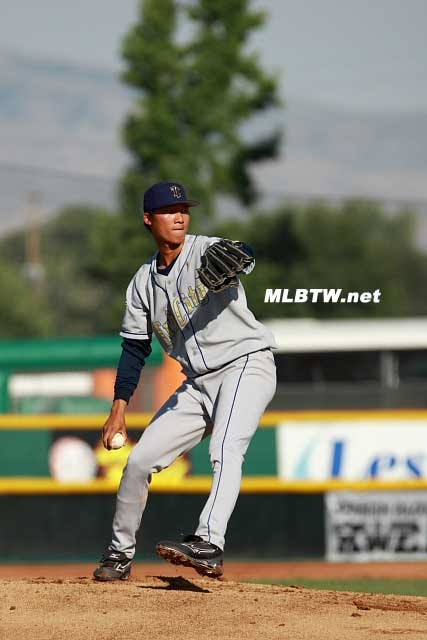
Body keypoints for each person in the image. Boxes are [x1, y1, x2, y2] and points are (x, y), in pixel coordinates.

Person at [93, 181, 277, 581]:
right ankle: (119, 554)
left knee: (225, 447)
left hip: (245, 364)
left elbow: (243, 253)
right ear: (148, 219)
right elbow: (134, 349)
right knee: (138, 462)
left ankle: (209, 542)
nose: (179, 217)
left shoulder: (204, 250)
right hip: (197, 383)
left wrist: (244, 256)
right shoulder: (142, 284)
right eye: (168, 210)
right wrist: (119, 408)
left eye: (184, 210)